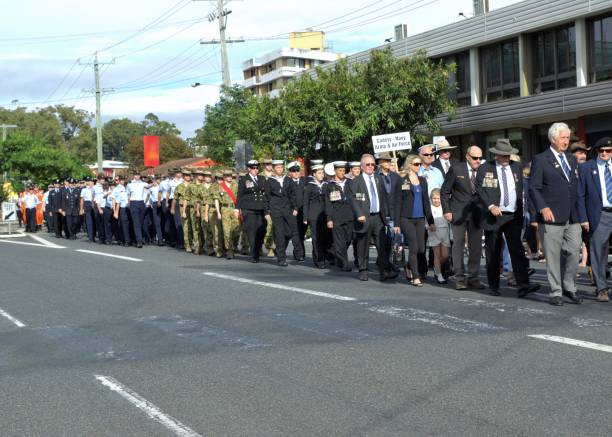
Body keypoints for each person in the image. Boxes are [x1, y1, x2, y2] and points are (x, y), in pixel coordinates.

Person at [476, 138, 540, 298]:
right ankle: (493, 285)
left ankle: (523, 285)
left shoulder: (516, 167)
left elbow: (521, 190)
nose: (506, 158)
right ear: (496, 155)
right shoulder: (485, 168)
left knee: (517, 250)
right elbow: (479, 190)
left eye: (508, 156)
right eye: (503, 156)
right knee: (493, 251)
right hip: (494, 215)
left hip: (512, 215)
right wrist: (491, 205)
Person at [529, 122, 582, 306]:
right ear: (553, 139)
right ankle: (556, 291)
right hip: (551, 215)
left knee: (575, 251)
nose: (566, 141)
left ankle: (569, 286)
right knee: (553, 256)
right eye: (563, 138)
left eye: (568, 138)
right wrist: (543, 207)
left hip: (572, 215)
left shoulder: (571, 159)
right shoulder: (541, 159)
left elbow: (575, 187)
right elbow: (534, 188)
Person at [441, 146, 485, 290]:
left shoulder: (484, 170)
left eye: (480, 158)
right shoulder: (456, 169)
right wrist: (447, 210)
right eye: (475, 158)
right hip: (458, 212)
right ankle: (459, 277)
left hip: (477, 213)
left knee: (476, 247)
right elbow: (445, 191)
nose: (478, 161)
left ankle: (473, 277)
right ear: (467, 156)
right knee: (458, 245)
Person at [348, 153, 397, 282]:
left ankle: (384, 271)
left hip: (378, 217)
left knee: (382, 245)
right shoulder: (356, 181)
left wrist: (386, 214)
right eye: (368, 164)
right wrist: (359, 214)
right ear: (362, 166)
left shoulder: (378, 178)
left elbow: (383, 197)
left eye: (372, 164)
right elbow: (353, 200)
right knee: (363, 245)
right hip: (365, 217)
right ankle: (363, 269)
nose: (370, 167)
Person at [577, 136, 612, 303]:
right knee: (598, 253)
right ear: (597, 151)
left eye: (609, 151)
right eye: (602, 150)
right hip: (599, 214)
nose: (605, 153)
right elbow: (580, 195)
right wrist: (583, 218)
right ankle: (602, 288)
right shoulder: (586, 168)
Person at [393, 154, 434, 286]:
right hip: (406, 219)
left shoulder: (422, 180)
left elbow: (426, 202)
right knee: (414, 248)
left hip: (420, 219)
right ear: (410, 165)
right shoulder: (402, 180)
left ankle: (409, 266)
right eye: (416, 164)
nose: (419, 166)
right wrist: (396, 223)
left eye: (420, 164)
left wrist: (431, 220)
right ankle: (416, 277)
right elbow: (397, 202)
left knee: (422, 249)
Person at [265, 160, 303, 266]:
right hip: (276, 209)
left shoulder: (288, 180)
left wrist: (295, 207)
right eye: (277, 167)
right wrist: (266, 211)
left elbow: (292, 195)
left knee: (293, 230)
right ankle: (281, 259)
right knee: (280, 233)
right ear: (273, 169)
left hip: (288, 209)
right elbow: (267, 197)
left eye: (281, 167)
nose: (280, 169)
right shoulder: (270, 181)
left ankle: (298, 252)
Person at [237, 160, 269, 263]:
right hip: (248, 209)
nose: (256, 170)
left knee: (262, 230)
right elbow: (240, 195)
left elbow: (266, 194)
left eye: (257, 168)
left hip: (260, 208)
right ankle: (254, 254)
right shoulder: (244, 179)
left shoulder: (262, 178)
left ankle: (257, 248)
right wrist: (237, 209)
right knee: (251, 232)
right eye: (253, 168)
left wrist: (267, 209)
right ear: (249, 169)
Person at [325, 161, 354, 271]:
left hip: (349, 215)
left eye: (343, 171)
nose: (342, 173)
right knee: (339, 241)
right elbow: (328, 203)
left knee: (348, 239)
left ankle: (333, 253)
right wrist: (329, 219)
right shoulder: (329, 186)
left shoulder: (350, 182)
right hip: (336, 216)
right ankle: (344, 263)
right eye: (340, 171)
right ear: (335, 171)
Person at [304, 164, 331, 268]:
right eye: (319, 173)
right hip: (314, 215)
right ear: (314, 174)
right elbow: (306, 202)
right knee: (316, 238)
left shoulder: (326, 185)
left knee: (325, 238)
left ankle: (324, 257)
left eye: (322, 173)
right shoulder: (310, 186)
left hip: (324, 215)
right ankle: (318, 259)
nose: (321, 175)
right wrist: (305, 217)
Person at [428, 188, 451, 284]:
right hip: (434, 234)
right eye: (434, 198)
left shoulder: (445, 207)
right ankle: (439, 274)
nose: (436, 200)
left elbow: (449, 218)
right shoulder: (430, 208)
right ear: (431, 199)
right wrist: (429, 226)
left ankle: (438, 268)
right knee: (437, 255)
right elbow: (427, 221)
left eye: (438, 198)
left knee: (445, 255)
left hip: (445, 233)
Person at [219, 170, 240, 259]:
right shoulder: (220, 186)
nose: (229, 177)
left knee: (236, 230)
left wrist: (239, 209)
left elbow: (239, 197)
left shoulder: (236, 185)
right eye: (227, 176)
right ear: (224, 177)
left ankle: (233, 245)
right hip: (225, 209)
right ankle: (229, 250)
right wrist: (218, 211)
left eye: (230, 176)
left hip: (234, 208)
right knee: (226, 231)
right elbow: (217, 199)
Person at [288, 161, 307, 260]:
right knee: (296, 233)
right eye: (293, 171)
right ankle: (299, 253)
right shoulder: (288, 182)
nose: (296, 173)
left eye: (297, 171)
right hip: (293, 212)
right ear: (290, 172)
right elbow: (288, 198)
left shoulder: (304, 181)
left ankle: (299, 252)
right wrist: (293, 208)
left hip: (304, 211)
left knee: (302, 233)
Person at [126, 171, 149, 249]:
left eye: (138, 175)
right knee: (136, 223)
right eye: (136, 175)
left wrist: (154, 183)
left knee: (140, 222)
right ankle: (139, 241)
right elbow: (128, 194)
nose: (137, 176)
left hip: (141, 203)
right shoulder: (130, 184)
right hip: (133, 203)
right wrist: (129, 203)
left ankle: (137, 238)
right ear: (133, 176)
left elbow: (148, 186)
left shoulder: (143, 183)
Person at [175, 169, 193, 253]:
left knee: (194, 226)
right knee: (186, 226)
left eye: (189, 175)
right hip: (183, 207)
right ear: (183, 176)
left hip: (193, 207)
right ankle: (187, 245)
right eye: (186, 175)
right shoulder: (179, 186)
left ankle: (195, 244)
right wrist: (172, 208)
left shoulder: (194, 185)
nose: (188, 177)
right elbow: (175, 199)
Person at [112, 175, 130, 246]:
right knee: (123, 225)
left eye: (123, 180)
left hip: (130, 208)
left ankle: (129, 239)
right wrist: (115, 212)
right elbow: (114, 200)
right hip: (122, 208)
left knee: (129, 224)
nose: (123, 181)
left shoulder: (128, 187)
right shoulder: (116, 189)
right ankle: (125, 240)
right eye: (121, 180)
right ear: (119, 181)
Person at [80, 177, 96, 242]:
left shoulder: (95, 188)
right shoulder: (84, 190)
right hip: (87, 204)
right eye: (89, 181)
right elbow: (82, 200)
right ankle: (91, 237)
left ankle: (95, 235)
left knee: (95, 221)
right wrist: (81, 209)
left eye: (91, 181)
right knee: (89, 221)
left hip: (95, 203)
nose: (90, 182)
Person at [93, 175, 106, 244]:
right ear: (98, 180)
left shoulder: (106, 186)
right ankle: (101, 238)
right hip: (98, 205)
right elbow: (93, 197)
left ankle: (105, 237)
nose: (103, 180)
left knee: (105, 222)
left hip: (105, 206)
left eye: (103, 179)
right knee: (99, 222)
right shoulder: (95, 187)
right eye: (101, 179)